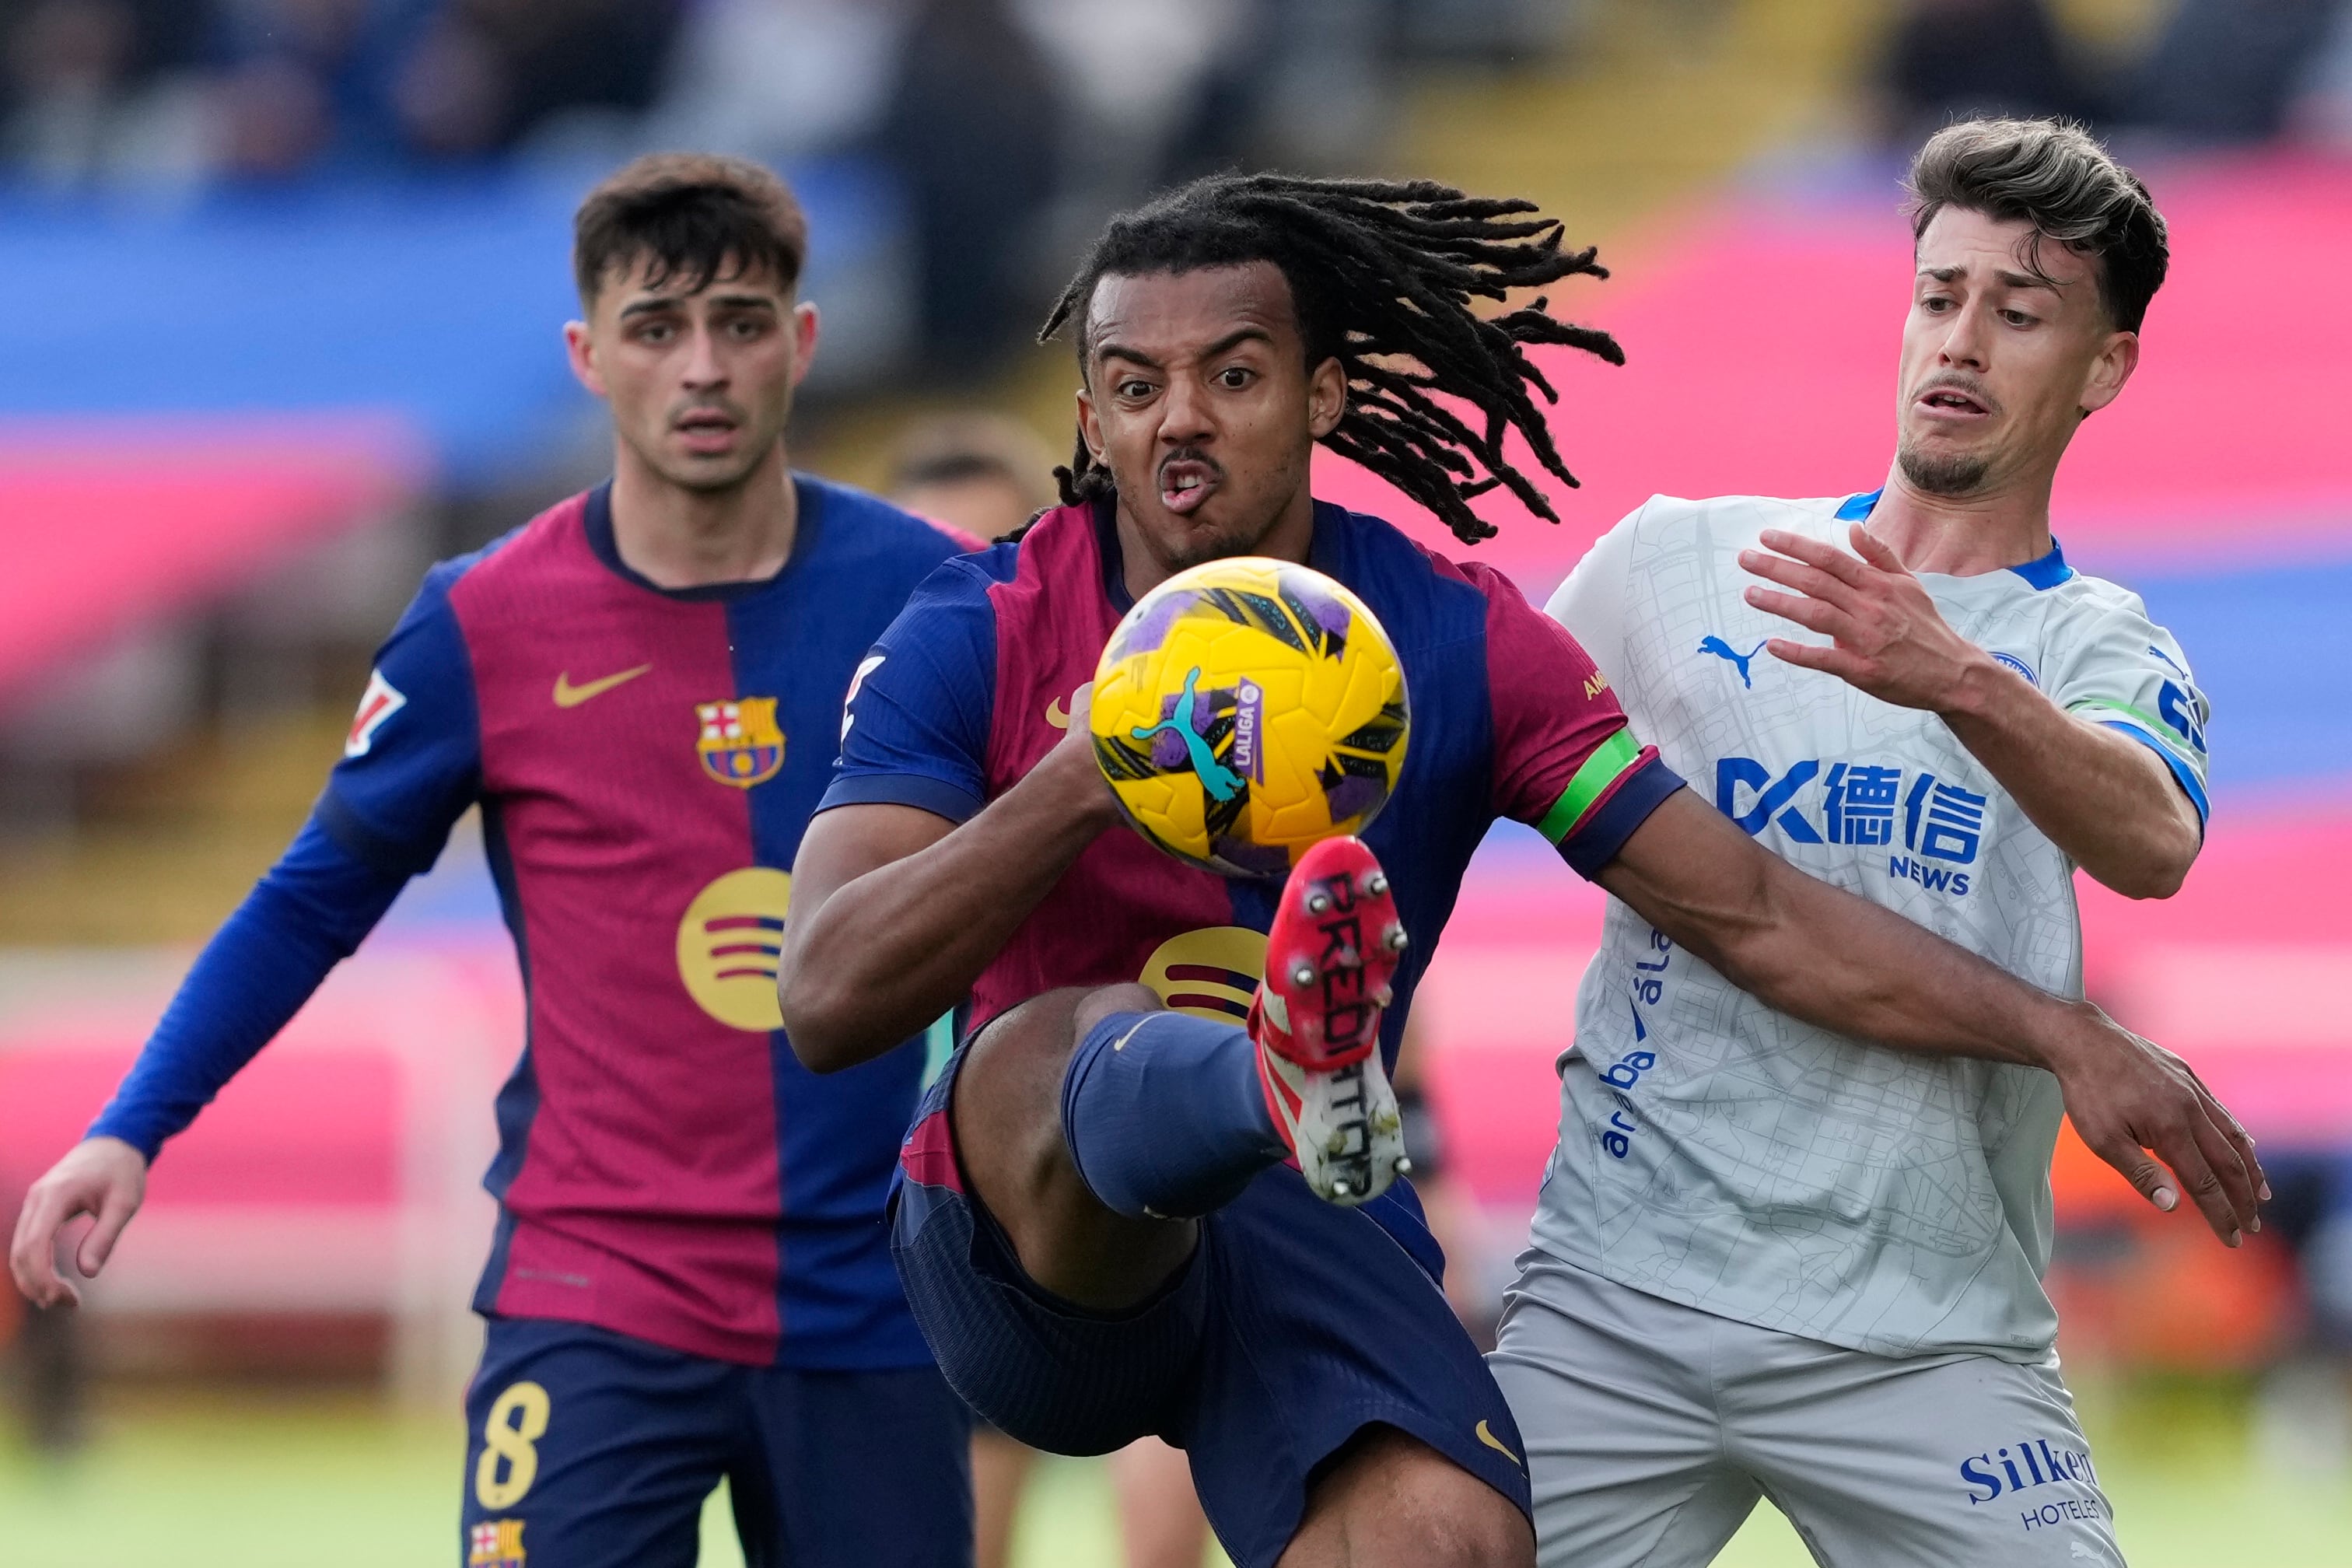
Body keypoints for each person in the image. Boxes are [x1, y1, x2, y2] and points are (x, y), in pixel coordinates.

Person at [772, 171, 2261, 1568]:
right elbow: (828, 996)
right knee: (1068, 1039)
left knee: (1453, 1538)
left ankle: (1297, 1092)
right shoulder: (978, 626)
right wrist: (1088, 776)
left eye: (1233, 375)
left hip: (1314, 1221)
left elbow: (1748, 908)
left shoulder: (1460, 642)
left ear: (1324, 395)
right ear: (1089, 418)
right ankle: (1276, 1077)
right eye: (1135, 385)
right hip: (1031, 1248)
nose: (1181, 422)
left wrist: (2063, 1033)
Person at [8, 153, 978, 1568]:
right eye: (658, 329)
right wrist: (133, 1123)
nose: (701, 369)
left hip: (869, 1300)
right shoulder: (485, 621)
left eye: (740, 322)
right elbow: (312, 900)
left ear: (803, 340)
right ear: (589, 356)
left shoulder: (936, 593)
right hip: (597, 1293)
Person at [1492, 117, 2249, 1568]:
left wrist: (1954, 672)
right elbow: (1455, 738)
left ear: (2105, 367)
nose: (1960, 342)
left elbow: (2153, 838)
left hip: (1928, 1333)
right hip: (1618, 1299)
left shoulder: (2091, 643)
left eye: (2019, 313)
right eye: (1940, 295)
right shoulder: (1678, 564)